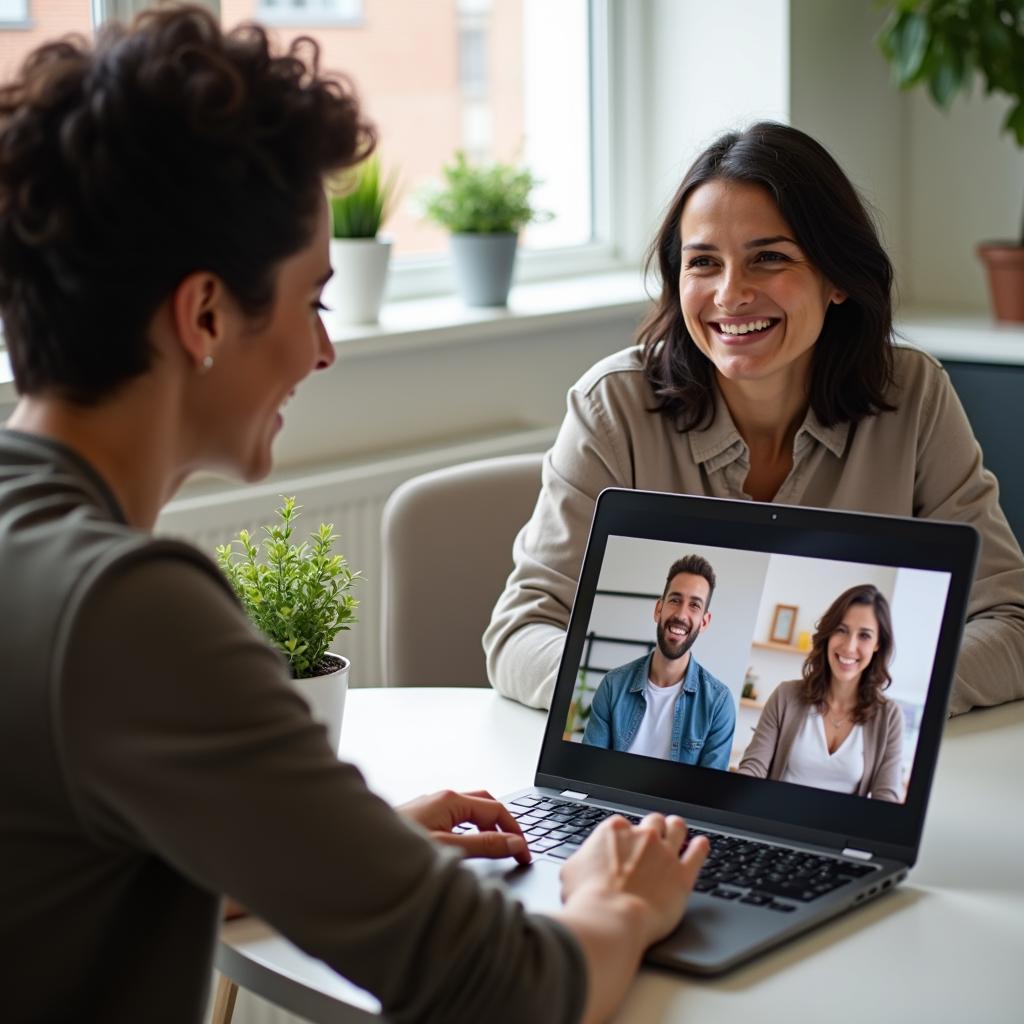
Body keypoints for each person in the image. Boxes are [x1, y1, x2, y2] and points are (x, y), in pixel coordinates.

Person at [0, 9, 709, 1022]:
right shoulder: (125, 606)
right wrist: (619, 904)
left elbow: (62, 867)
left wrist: (336, 844)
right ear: (204, 315)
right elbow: (507, 990)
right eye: (313, 300)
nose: (322, 352)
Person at [484, 122, 1024, 717]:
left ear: (837, 276)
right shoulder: (611, 406)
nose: (729, 294)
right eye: (704, 263)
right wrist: (658, 698)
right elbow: (520, 634)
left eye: (768, 258)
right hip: (657, 780)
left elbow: (1010, 623)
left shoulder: (913, 394)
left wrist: (858, 701)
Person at [737, 586, 904, 801]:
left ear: (877, 644)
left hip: (839, 833)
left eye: (864, 635)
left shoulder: (889, 716)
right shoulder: (786, 696)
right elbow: (753, 769)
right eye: (842, 630)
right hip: (772, 823)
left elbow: (886, 800)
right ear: (829, 633)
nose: (850, 646)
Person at [582, 555, 736, 768]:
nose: (681, 614)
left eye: (694, 605)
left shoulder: (719, 704)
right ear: (658, 610)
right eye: (675, 600)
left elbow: (706, 795)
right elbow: (588, 769)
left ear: (704, 622)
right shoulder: (612, 686)